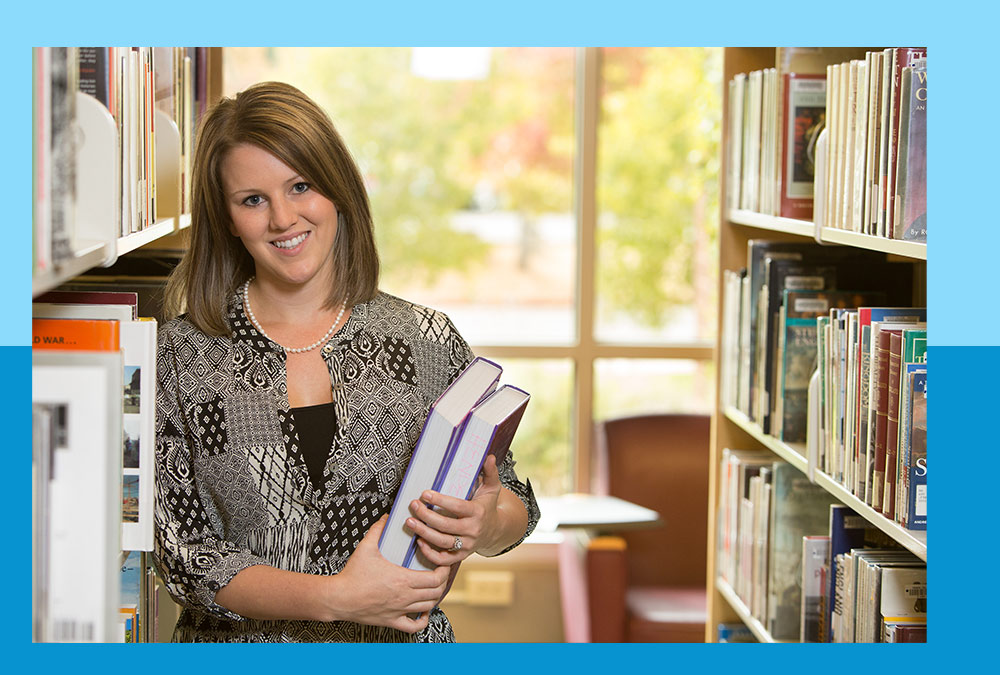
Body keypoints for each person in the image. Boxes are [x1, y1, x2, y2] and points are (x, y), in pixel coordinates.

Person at [155, 81, 540, 643]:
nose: (283, 218)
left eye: (300, 186)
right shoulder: (181, 355)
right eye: (253, 199)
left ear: (337, 189)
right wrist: (336, 598)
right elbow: (183, 556)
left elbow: (512, 505)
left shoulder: (423, 339)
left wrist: (484, 523)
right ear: (228, 218)